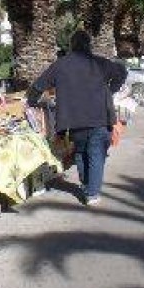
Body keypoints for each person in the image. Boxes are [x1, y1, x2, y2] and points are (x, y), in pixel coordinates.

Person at [27, 30, 127, 206]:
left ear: (71, 45)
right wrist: (111, 91)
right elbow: (122, 72)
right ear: (89, 45)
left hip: (74, 120)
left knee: (80, 151)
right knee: (96, 154)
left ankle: (86, 186)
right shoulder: (100, 63)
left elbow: (38, 85)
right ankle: (92, 193)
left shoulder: (61, 65)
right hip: (100, 117)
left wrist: (31, 102)